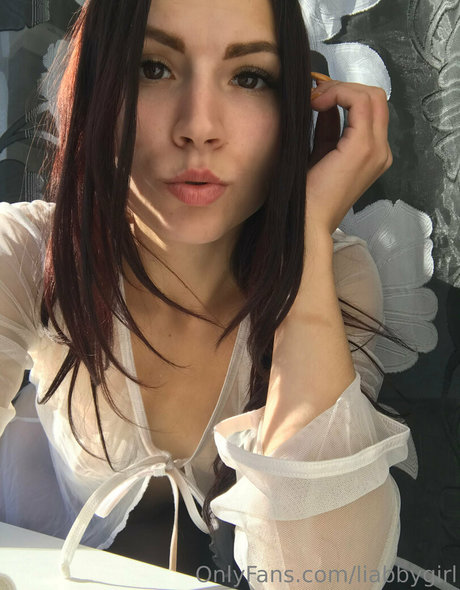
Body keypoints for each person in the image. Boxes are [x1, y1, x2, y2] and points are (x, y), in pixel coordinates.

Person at [0, 0, 417, 588]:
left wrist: (305, 245)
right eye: (152, 68)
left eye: (249, 77)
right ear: (97, 86)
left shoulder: (336, 276)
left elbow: (323, 577)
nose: (199, 126)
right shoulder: (28, 252)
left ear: (296, 104)